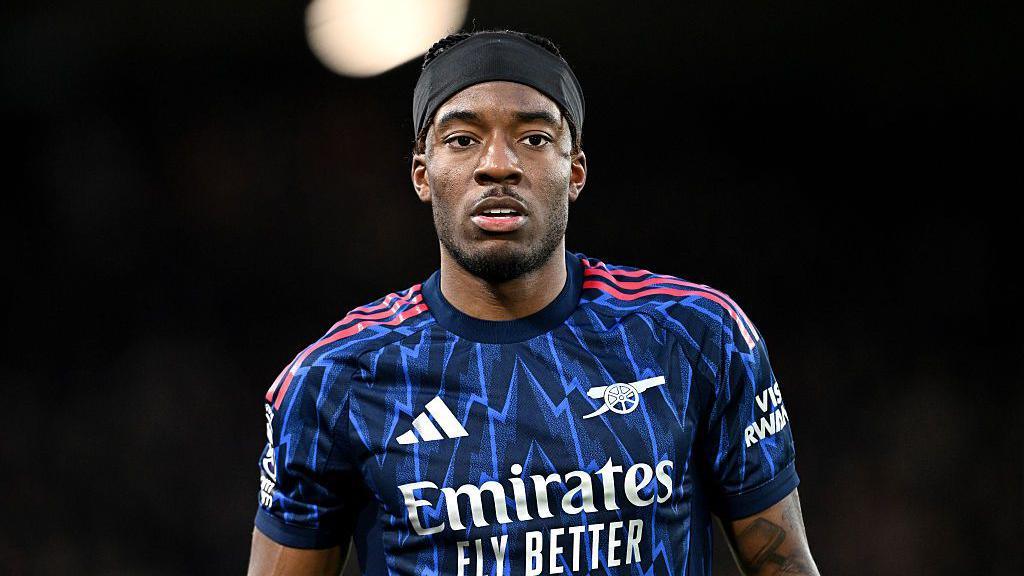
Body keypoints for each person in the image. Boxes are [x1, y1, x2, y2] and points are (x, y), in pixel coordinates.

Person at [247, 29, 820, 576]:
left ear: (575, 172)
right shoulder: (335, 379)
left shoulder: (695, 336)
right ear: (423, 174)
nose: (498, 164)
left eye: (534, 138)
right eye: (462, 139)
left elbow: (783, 563)